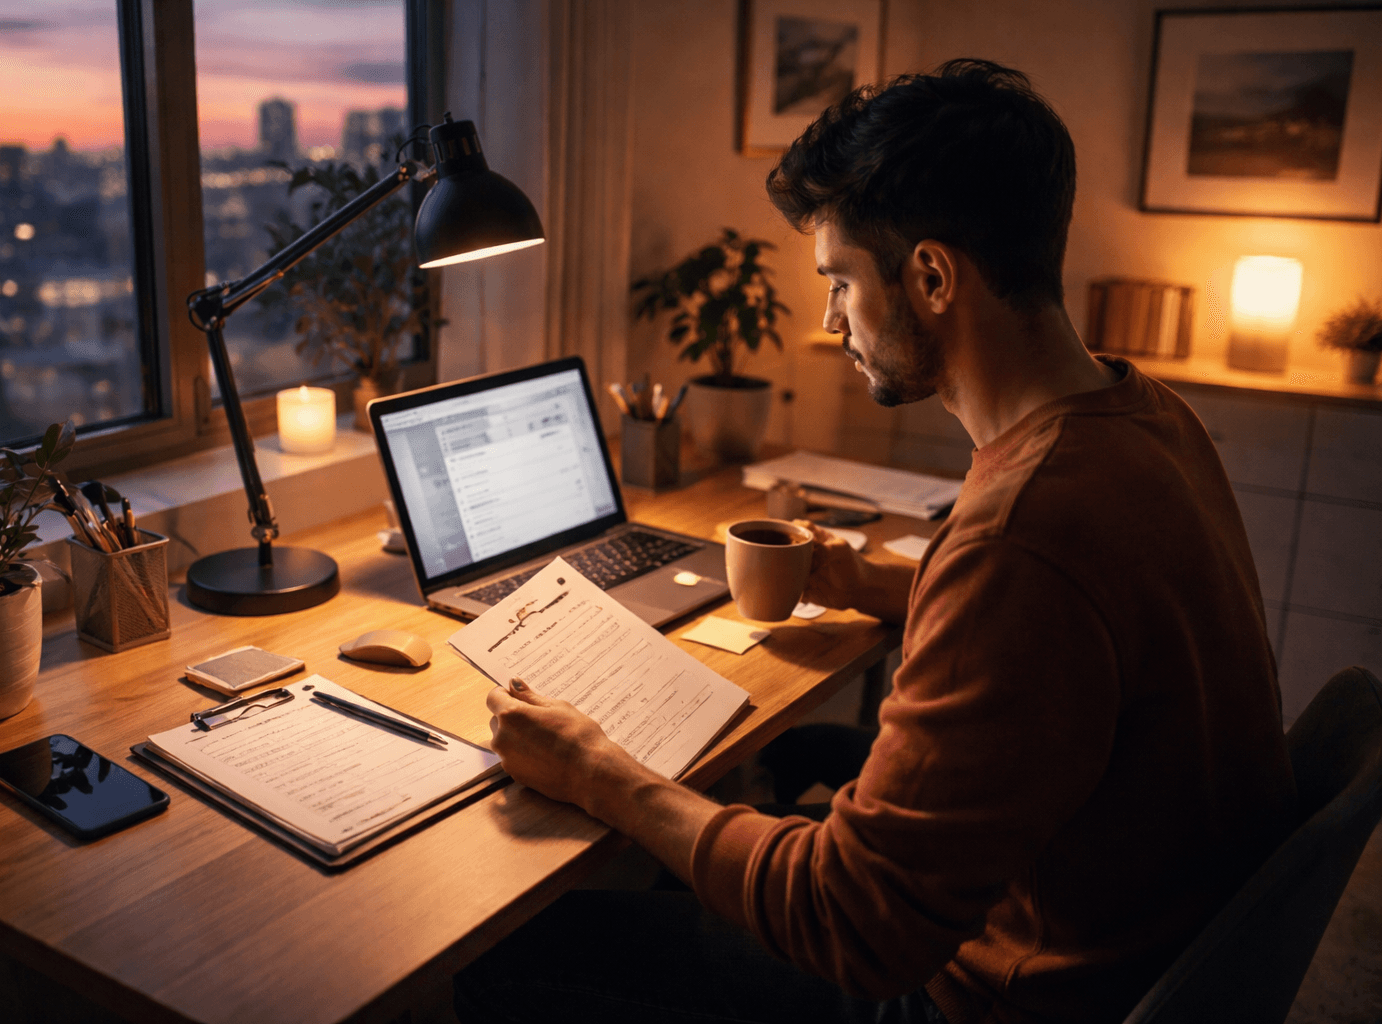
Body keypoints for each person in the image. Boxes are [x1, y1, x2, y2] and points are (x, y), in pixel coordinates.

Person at [454, 59, 1295, 1024]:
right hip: (1129, 932)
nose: (829, 319)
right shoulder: (1146, 415)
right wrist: (872, 578)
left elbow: (852, 922)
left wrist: (599, 773)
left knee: (516, 950)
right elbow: (1074, 618)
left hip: (995, 992)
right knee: (787, 762)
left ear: (932, 276)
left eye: (840, 281)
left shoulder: (1021, 536)